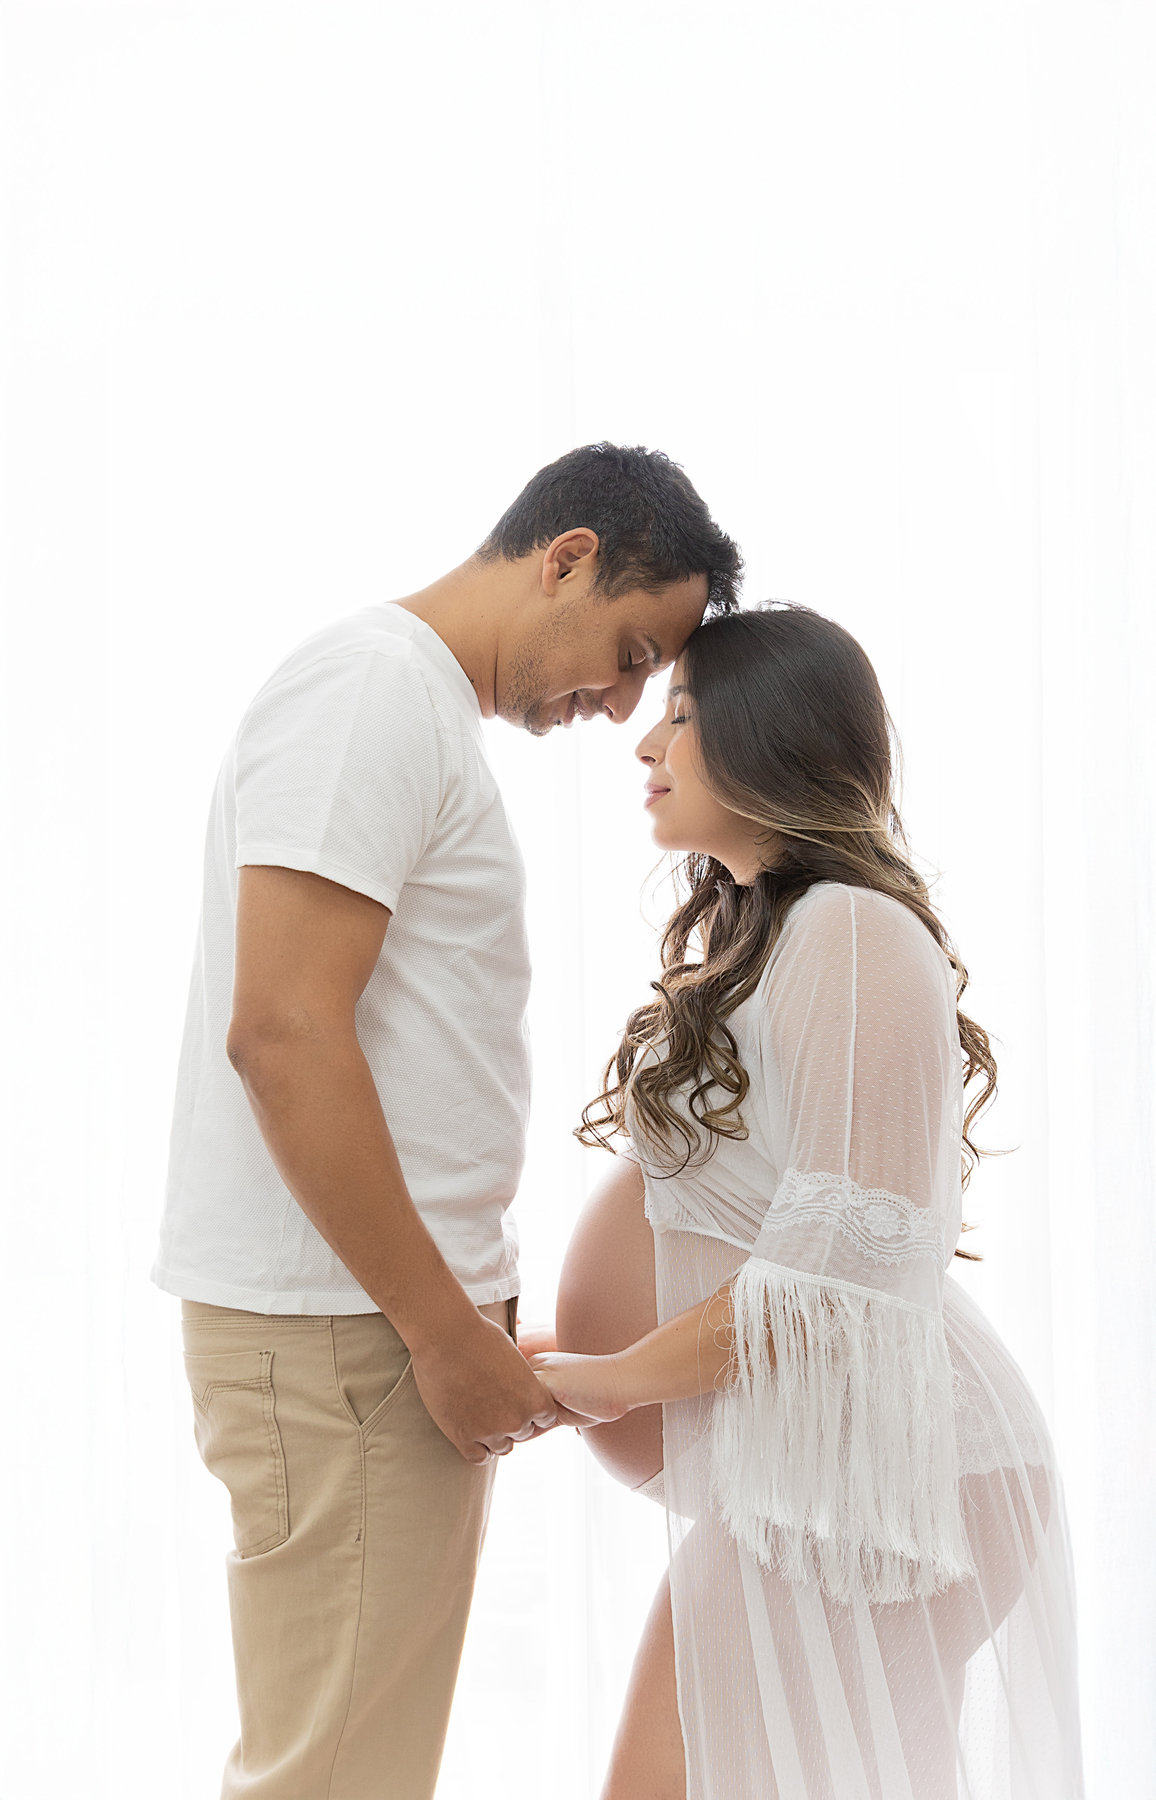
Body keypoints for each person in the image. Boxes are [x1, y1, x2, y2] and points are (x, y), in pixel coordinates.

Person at [152, 443, 742, 1800]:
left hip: (364, 1331)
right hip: (349, 1337)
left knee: (348, 1768)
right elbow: (282, 1029)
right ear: (569, 556)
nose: (622, 705)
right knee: (338, 1780)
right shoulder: (373, 691)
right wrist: (440, 1331)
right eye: (631, 648)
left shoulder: (402, 705)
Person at [533, 605, 1084, 1799]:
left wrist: (608, 1377)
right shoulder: (778, 934)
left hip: (893, 1471)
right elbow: (738, 1229)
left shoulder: (852, 929)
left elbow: (843, 1270)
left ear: (765, 735)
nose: (643, 744)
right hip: (835, 1468)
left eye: (679, 716)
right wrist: (565, 1353)